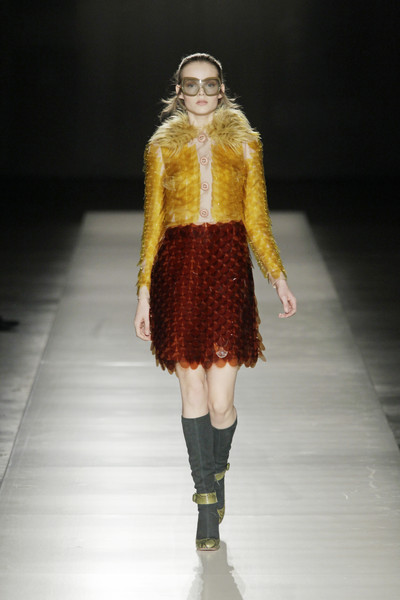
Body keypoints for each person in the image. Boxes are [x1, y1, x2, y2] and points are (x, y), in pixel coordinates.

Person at [134, 52, 296, 551]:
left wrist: (278, 278)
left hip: (227, 269)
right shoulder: (161, 147)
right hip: (178, 271)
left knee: (222, 403)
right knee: (193, 392)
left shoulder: (245, 144)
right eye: (191, 84)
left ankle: (216, 470)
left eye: (209, 84)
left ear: (222, 89)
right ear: (178, 91)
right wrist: (143, 292)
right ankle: (206, 502)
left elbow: (257, 220)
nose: (201, 92)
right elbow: (153, 225)